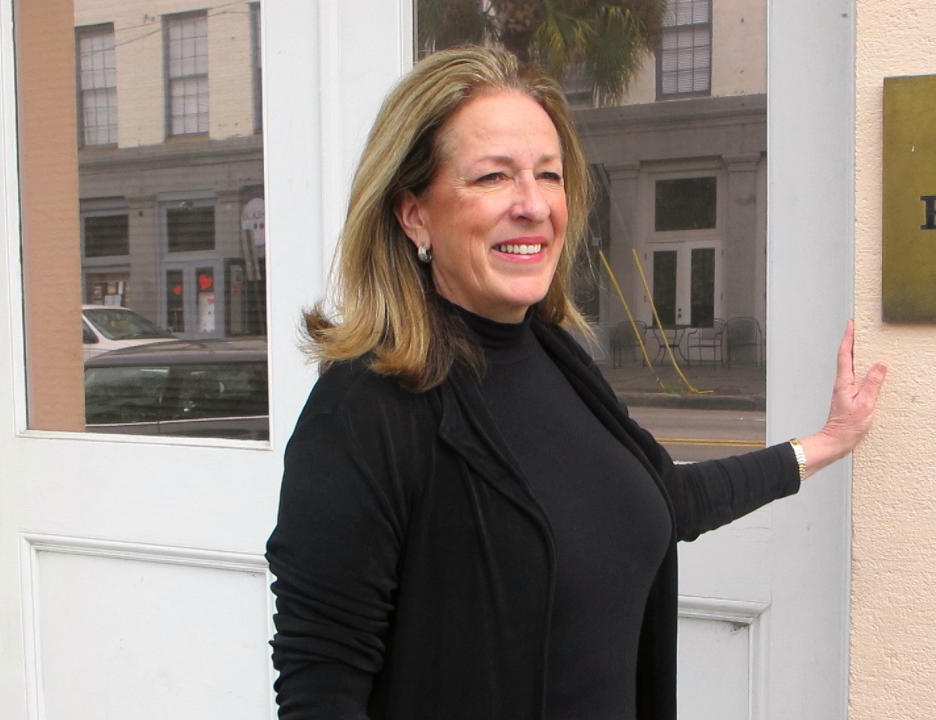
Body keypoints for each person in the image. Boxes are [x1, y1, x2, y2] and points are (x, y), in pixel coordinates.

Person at [266, 47, 886, 720]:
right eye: (493, 177)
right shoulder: (366, 408)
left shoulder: (558, 358)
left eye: (549, 175)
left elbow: (665, 499)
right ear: (415, 214)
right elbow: (320, 690)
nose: (533, 205)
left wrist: (822, 444)